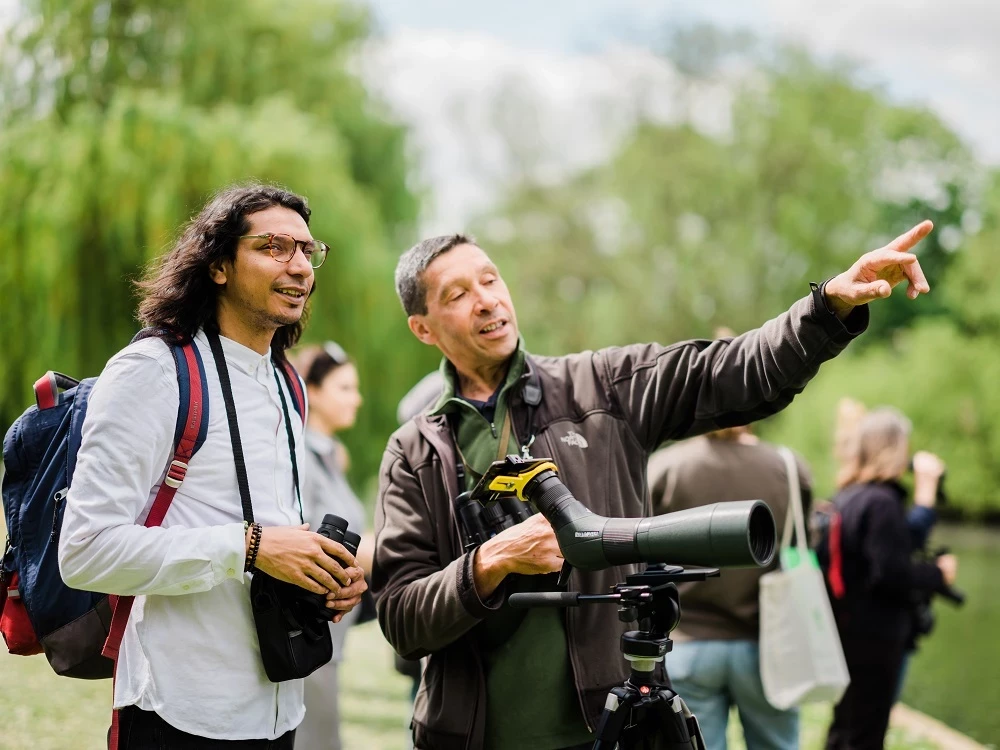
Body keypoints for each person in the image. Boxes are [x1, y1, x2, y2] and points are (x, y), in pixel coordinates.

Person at [371, 221, 935, 750]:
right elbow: (400, 618)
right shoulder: (415, 451)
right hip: (470, 736)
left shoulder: (600, 387)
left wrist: (827, 306)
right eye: (457, 294)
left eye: (490, 279)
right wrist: (490, 562)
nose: (487, 299)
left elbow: (731, 370)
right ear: (424, 328)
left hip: (612, 728)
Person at [57, 184, 368, 748]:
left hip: (280, 706)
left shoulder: (287, 382)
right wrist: (248, 547)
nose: (299, 267)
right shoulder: (152, 371)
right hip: (178, 708)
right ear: (219, 264)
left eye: (307, 250)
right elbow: (84, 552)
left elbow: (278, 535)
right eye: (274, 247)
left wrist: (327, 577)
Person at [647, 424, 811, 750]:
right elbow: (802, 547)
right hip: (769, 645)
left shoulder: (665, 467)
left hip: (689, 642)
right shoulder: (788, 466)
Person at [823, 407, 958, 750]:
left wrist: (925, 497)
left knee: (845, 728)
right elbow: (891, 572)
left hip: (847, 629)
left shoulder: (849, 496)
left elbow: (885, 551)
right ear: (895, 449)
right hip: (875, 636)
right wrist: (937, 574)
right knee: (866, 734)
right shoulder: (881, 502)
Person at [293, 341, 375, 749]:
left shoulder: (329, 456)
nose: (357, 398)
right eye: (345, 388)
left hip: (330, 630)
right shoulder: (301, 456)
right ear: (312, 391)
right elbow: (301, 536)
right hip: (303, 625)